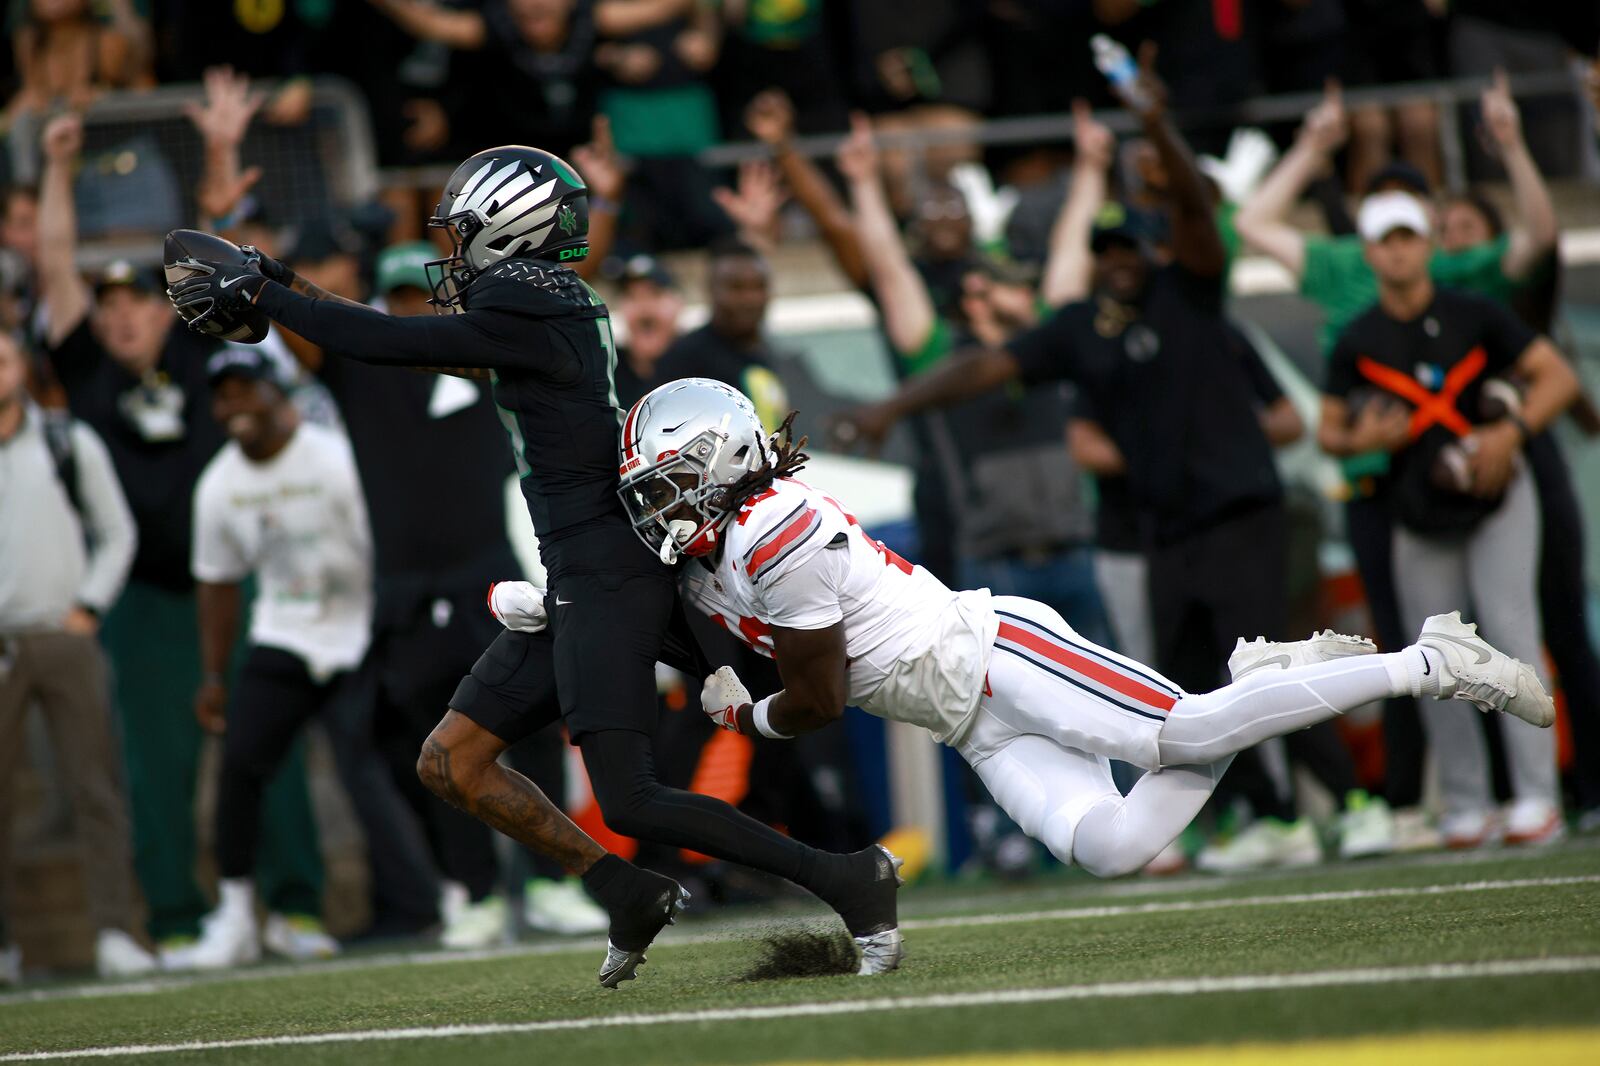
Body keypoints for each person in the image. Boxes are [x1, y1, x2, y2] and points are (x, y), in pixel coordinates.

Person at [165, 142, 904, 984]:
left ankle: (849, 877)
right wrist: (283, 281)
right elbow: (393, 338)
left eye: (462, 234)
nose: (452, 254)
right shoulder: (539, 305)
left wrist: (267, 292)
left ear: (507, 230)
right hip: (586, 571)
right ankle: (623, 890)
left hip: (607, 574)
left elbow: (378, 342)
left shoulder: (527, 299)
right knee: (453, 760)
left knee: (629, 795)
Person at [503, 378, 1556, 885]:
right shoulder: (706, 550)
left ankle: (1428, 657)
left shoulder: (774, 524)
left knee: (1175, 736)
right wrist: (548, 608)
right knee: (1111, 846)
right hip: (969, 720)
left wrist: (751, 712)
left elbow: (817, 701)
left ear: (727, 462)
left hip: (990, 651)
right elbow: (649, 613)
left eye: (674, 482)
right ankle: (1264, 682)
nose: (660, 507)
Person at [36, 114, 326, 953]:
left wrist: (225, 156)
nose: (123, 320)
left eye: (137, 304)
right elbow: (55, 269)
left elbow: (226, 268)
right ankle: (172, 916)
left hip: (231, 583)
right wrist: (58, 169)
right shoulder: (88, 371)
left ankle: (296, 908)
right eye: (111, 307)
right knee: (156, 770)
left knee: (266, 743)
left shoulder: (203, 355)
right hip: (143, 598)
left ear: (165, 312)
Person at [1318, 190, 1579, 848]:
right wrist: (1367, 439)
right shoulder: (1357, 337)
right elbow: (1328, 431)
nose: (1399, 249)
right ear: (1371, 252)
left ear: (1427, 243)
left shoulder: (1475, 313)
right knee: (1434, 657)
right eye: (1386, 239)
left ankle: (1537, 797)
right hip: (1416, 506)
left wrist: (1508, 435)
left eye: (1409, 236)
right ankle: (1467, 801)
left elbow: (1558, 379)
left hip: (1497, 495)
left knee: (1513, 630)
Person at [161, 349, 368, 970]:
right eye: (222, 395)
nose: (233, 407)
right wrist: (214, 676)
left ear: (277, 394)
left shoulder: (331, 456)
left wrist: (386, 630)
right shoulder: (219, 484)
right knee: (241, 768)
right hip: (286, 630)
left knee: (387, 762)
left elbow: (376, 542)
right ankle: (235, 914)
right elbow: (219, 586)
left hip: (359, 629)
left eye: (245, 390)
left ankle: (456, 891)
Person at [0, 332, 154, 981]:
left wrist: (88, 606)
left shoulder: (68, 441)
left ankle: (115, 931)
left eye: (2, 358)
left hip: (65, 637)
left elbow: (118, 531)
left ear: (24, 367)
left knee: (95, 784)